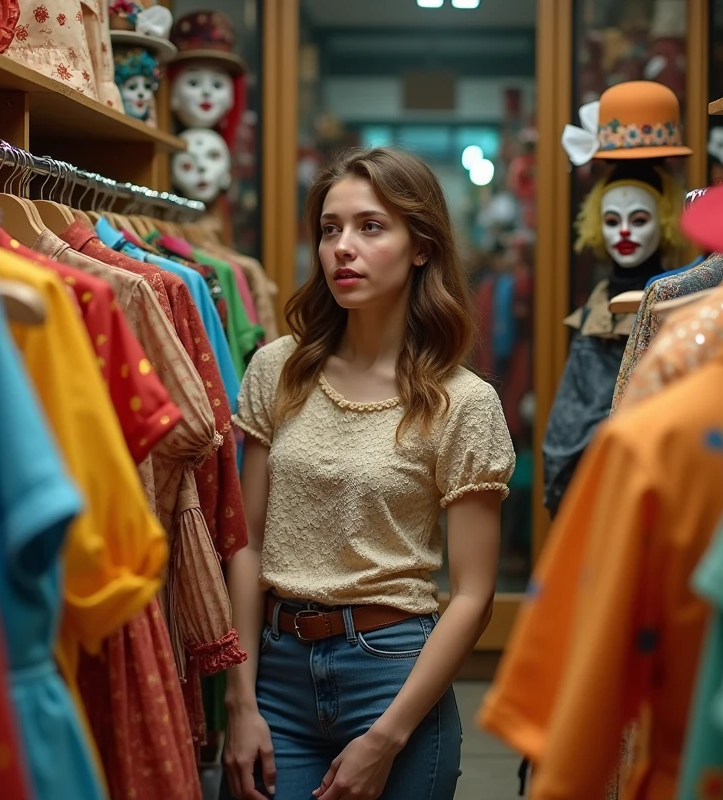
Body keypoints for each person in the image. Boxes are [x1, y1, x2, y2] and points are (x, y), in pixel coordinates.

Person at [223, 147, 515, 800]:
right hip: (277, 674)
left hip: (394, 678)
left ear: (421, 247)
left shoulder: (462, 402)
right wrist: (239, 703)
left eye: (370, 227)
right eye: (330, 229)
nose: (342, 248)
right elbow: (247, 541)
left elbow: (472, 595)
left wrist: (387, 737)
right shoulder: (278, 369)